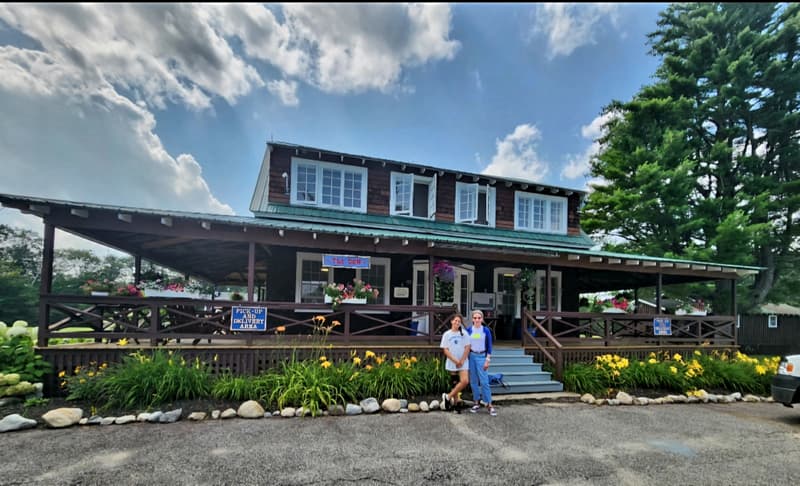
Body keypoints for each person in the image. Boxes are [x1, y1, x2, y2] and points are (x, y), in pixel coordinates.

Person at [467, 309, 496, 416]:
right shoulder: (469, 330)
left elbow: (489, 346)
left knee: (484, 381)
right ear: (472, 319)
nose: (477, 320)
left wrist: (487, 360)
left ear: (482, 319)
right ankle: (476, 401)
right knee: (473, 381)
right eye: (475, 318)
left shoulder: (486, 330)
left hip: (482, 356)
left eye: (479, 318)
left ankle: (489, 404)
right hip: (472, 356)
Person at [439, 313, 470, 411]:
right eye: (455, 320)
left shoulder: (464, 333)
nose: (457, 322)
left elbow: (467, 347)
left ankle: (448, 397)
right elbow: (445, 350)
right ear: (451, 321)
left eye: (459, 321)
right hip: (452, 361)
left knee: (465, 381)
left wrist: (461, 360)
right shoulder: (447, 334)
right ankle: (456, 404)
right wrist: (456, 360)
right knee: (454, 382)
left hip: (463, 361)